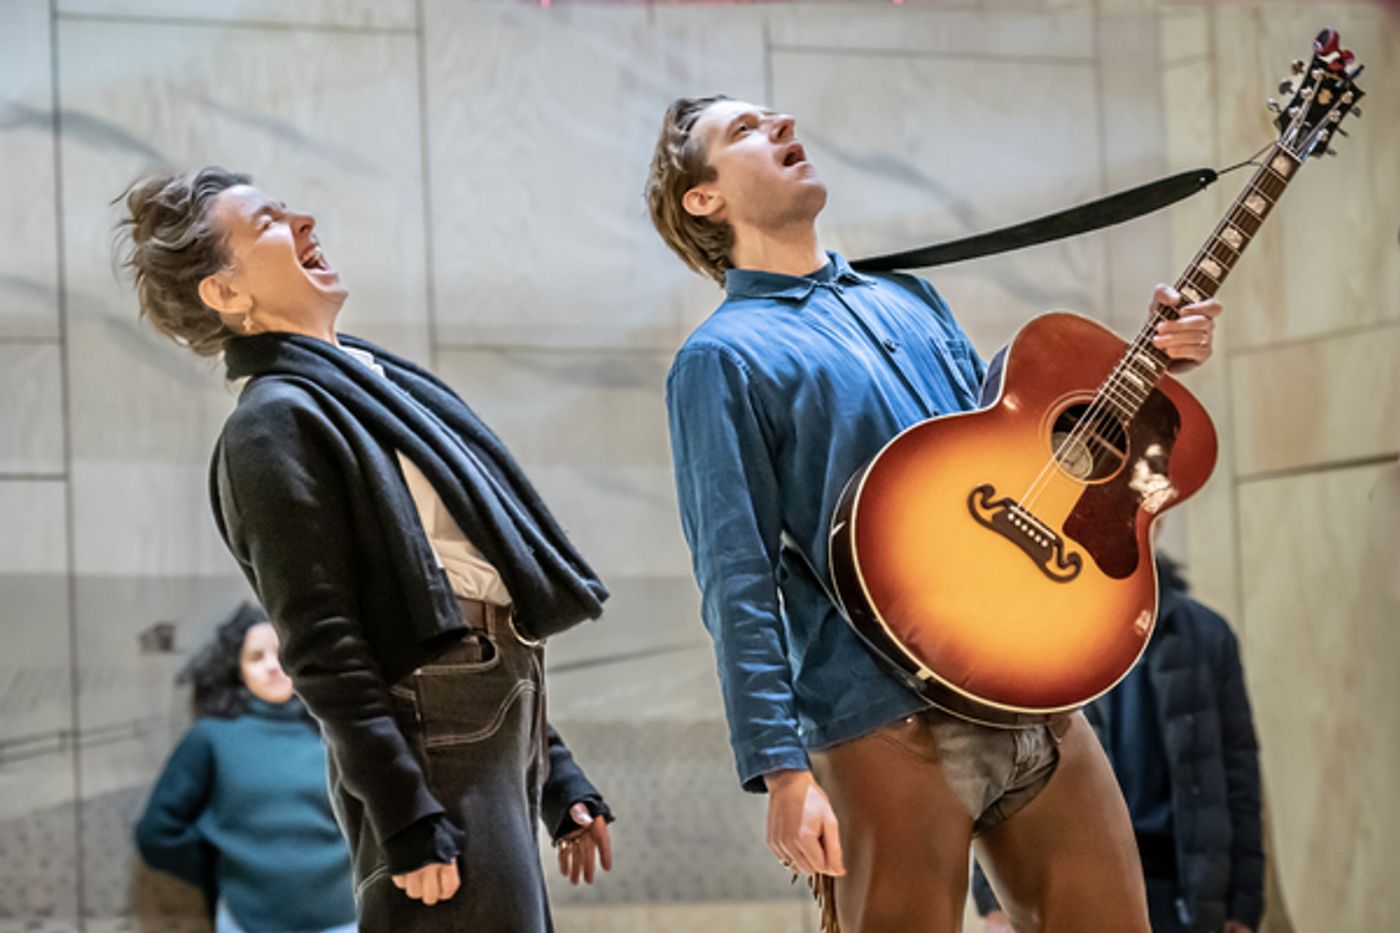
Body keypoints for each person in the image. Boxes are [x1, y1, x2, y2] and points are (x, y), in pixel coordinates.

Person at [646, 95, 1223, 933]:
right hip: (881, 718)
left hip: (1035, 696)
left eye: (775, 117)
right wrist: (779, 770)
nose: (780, 126)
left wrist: (1147, 360)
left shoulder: (909, 299)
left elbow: (1019, 454)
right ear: (705, 198)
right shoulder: (720, 358)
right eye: (744, 131)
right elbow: (733, 577)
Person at [118, 168, 614, 932]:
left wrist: (559, 774)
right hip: (431, 739)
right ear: (225, 292)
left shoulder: (374, 384)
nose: (306, 220)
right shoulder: (271, 423)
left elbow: (458, 594)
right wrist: (404, 817)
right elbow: (321, 642)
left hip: (494, 710)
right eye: (270, 222)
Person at [973, 556, 1264, 933]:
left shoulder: (1207, 635)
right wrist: (991, 895)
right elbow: (1000, 758)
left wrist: (1244, 904)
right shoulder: (1047, 631)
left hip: (1184, 889)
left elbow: (1239, 773)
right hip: (1080, 877)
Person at [137, 602, 358, 933]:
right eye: (257, 657)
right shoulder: (211, 736)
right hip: (248, 921)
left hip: (343, 920)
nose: (273, 667)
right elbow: (156, 832)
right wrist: (222, 868)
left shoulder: (334, 732)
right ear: (237, 668)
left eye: (282, 654)